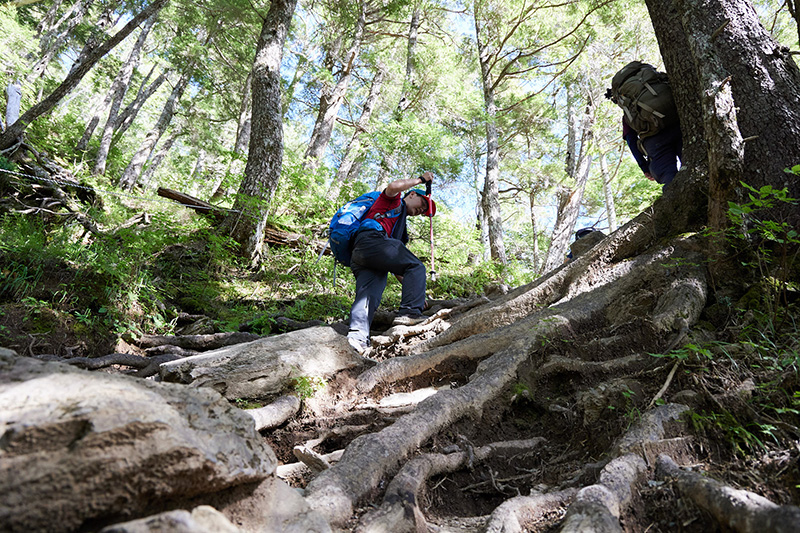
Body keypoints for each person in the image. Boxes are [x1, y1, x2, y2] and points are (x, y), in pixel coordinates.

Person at [347, 171, 437, 354]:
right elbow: (393, 187)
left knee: (368, 297)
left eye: (424, 212)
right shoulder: (393, 201)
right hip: (372, 240)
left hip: (363, 253)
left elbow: (398, 267)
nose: (422, 211)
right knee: (417, 266)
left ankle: (357, 339)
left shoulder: (399, 229)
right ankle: (410, 314)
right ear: (412, 194)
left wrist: (416, 292)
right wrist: (420, 180)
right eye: (423, 204)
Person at [606, 61, 683, 187]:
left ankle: (678, 201)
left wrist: (645, 168)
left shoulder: (628, 114)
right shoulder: (658, 85)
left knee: (669, 179)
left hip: (655, 141)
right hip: (680, 127)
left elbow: (631, 140)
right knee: (696, 166)